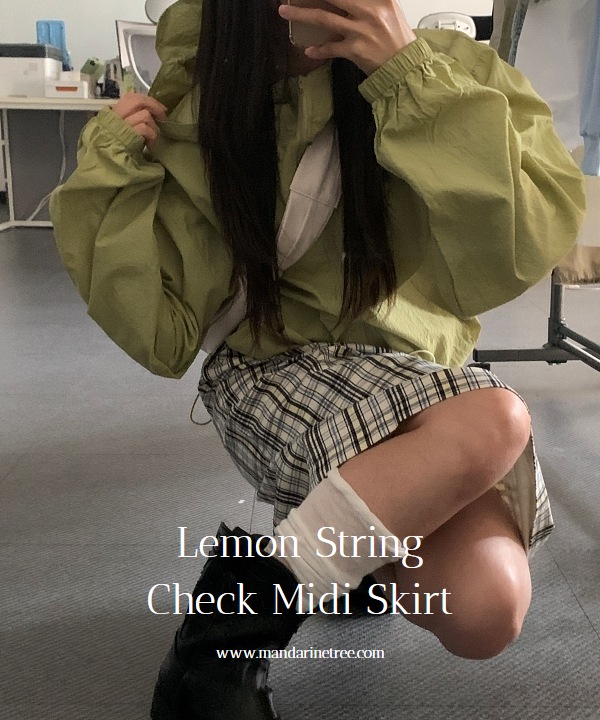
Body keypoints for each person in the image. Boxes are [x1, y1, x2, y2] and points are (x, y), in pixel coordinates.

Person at [50, 0, 586, 718]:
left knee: (487, 608)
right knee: (495, 418)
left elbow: (518, 250)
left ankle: (323, 559)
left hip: (413, 376)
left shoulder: (450, 72)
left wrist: (407, 79)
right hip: (265, 369)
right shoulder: (204, 94)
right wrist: (111, 169)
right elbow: (162, 333)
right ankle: (217, 649)